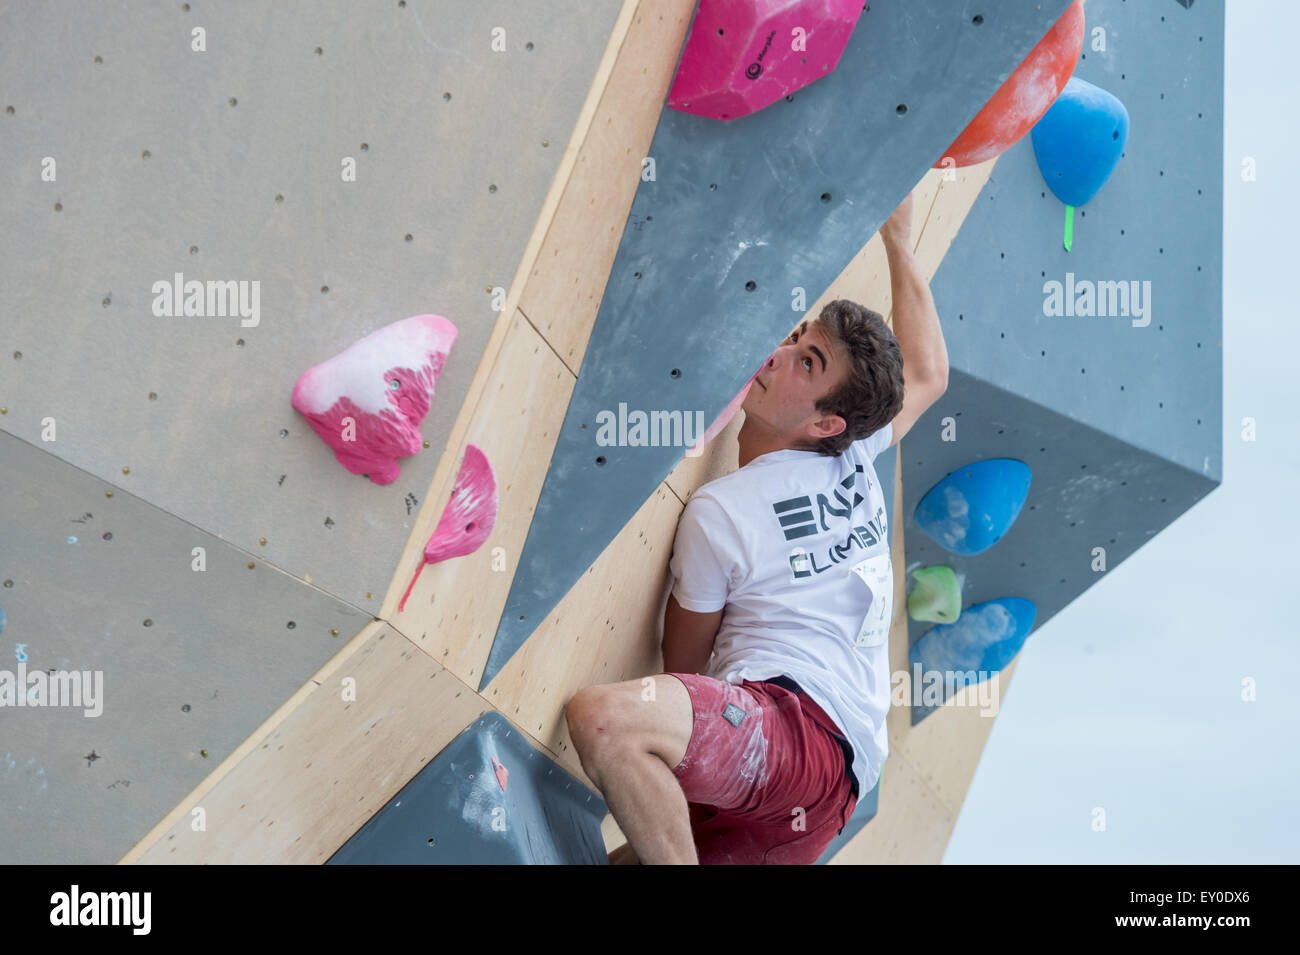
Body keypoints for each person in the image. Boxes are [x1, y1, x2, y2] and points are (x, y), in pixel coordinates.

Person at [565, 191, 949, 864]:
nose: (779, 352)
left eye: (809, 362)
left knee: (606, 721)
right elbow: (928, 372)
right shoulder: (857, 454)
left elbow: (684, 667)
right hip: (825, 801)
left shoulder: (723, 511)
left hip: (794, 737)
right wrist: (899, 240)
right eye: (798, 337)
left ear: (828, 422)